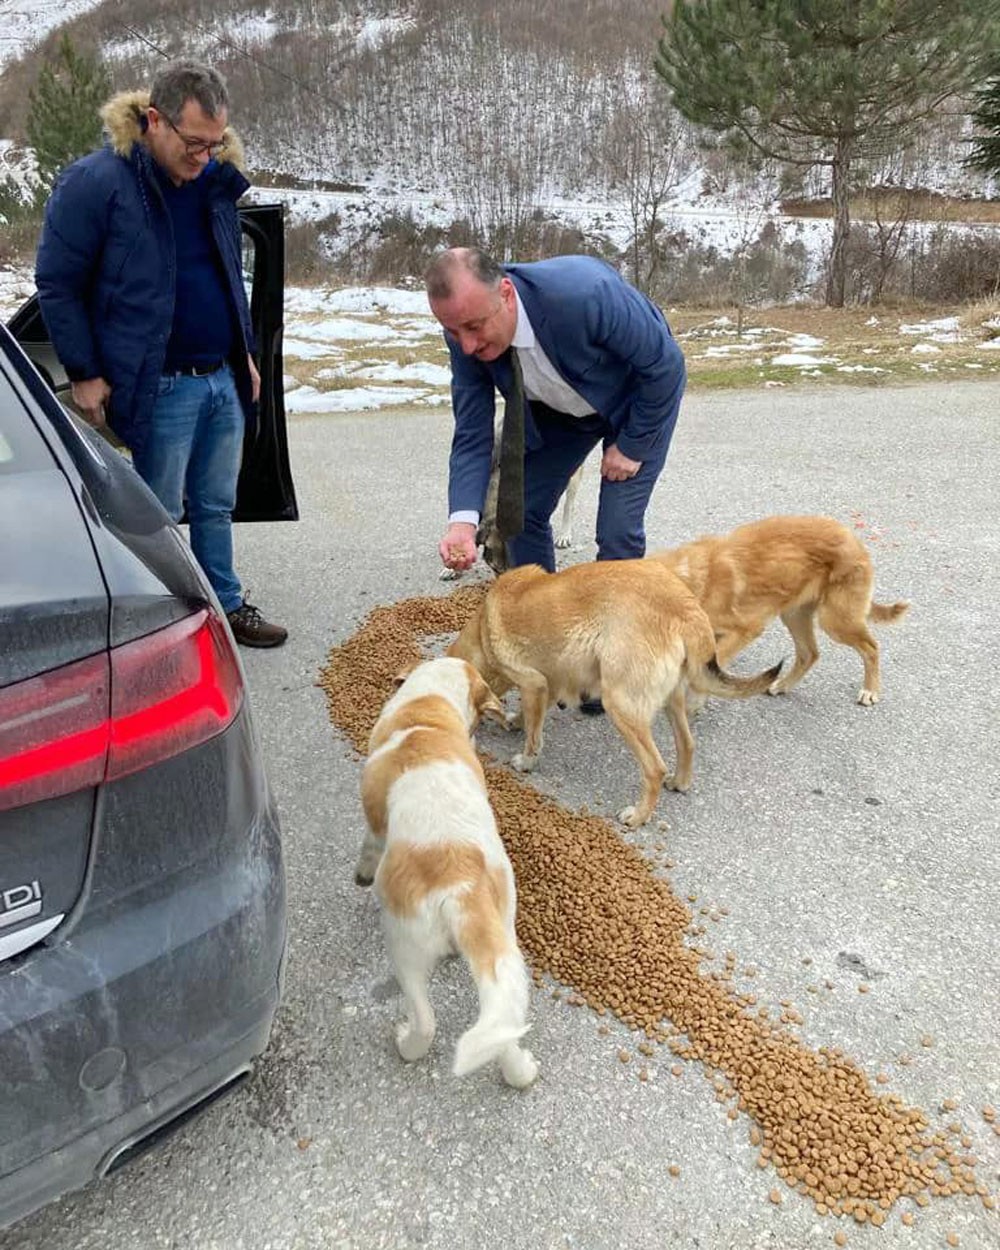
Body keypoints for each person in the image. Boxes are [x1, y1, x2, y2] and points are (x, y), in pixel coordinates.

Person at [35, 60, 287, 647]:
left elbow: (227, 272)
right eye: (194, 142)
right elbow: (58, 283)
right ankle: (154, 620)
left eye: (215, 142)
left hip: (221, 374)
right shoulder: (98, 183)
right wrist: (85, 373)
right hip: (160, 382)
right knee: (155, 511)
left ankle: (223, 605)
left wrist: (245, 354)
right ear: (155, 120)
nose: (204, 156)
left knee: (216, 503)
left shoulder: (214, 181)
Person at [426, 246, 686, 579]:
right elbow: (472, 433)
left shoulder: (585, 294)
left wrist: (633, 446)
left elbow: (666, 367)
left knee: (617, 529)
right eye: (452, 331)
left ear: (506, 294)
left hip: (634, 402)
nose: (467, 346)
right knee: (519, 514)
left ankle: (615, 627)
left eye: (474, 327)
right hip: (560, 411)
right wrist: (462, 521)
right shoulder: (465, 333)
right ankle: (540, 619)